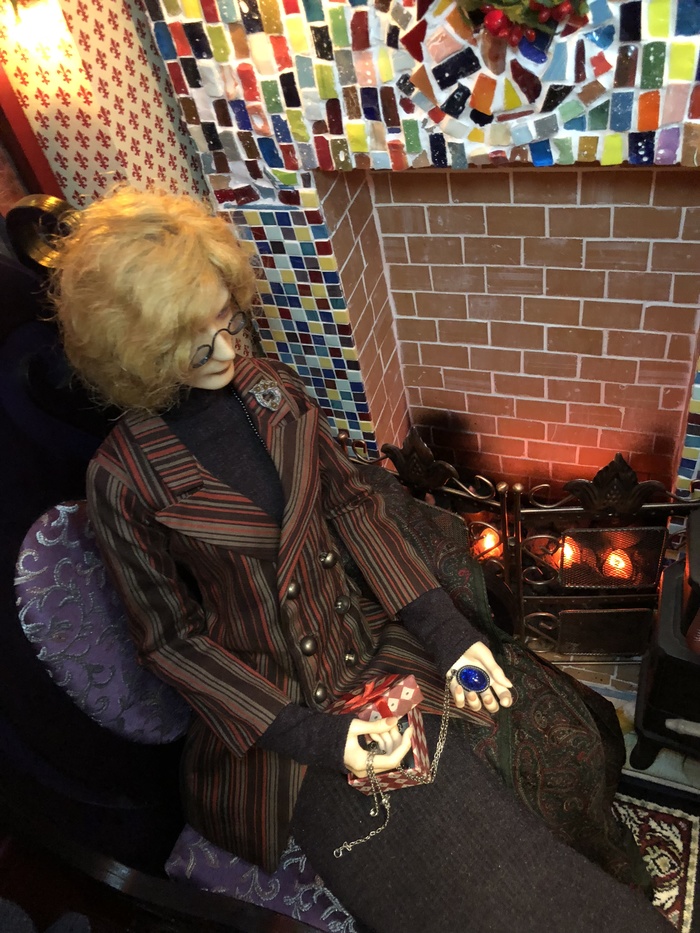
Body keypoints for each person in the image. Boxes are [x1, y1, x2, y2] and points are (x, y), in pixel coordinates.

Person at [51, 186, 673, 933]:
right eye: (196, 341)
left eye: (227, 320)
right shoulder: (122, 479)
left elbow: (353, 506)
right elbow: (169, 641)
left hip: (375, 649)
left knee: (540, 753)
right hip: (281, 721)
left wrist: (451, 636)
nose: (228, 351)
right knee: (468, 883)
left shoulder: (270, 391)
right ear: (135, 351)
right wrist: (321, 738)